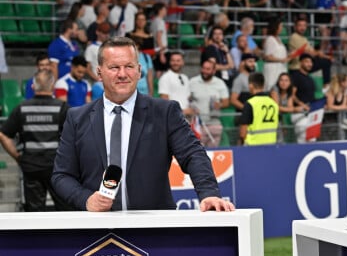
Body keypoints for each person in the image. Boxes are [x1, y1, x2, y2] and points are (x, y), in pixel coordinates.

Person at [51, 36, 234, 212]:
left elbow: (193, 154)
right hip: (97, 230)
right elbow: (62, 176)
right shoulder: (76, 118)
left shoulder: (165, 112)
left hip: (152, 230)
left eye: (129, 66)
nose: (122, 74)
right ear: (99, 72)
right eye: (114, 67)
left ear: (139, 71)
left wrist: (208, 193)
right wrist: (86, 199)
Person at [0, 70, 71, 212]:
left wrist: (18, 157)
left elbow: (3, 135)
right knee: (65, 211)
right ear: (53, 87)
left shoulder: (22, 108)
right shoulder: (62, 108)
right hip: (57, 169)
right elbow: (74, 139)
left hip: (31, 167)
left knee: (34, 213)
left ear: (33, 86)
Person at [189, 59, 230, 148]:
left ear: (214, 71)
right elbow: (187, 98)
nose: (205, 71)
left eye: (208, 69)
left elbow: (226, 102)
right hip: (198, 125)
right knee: (198, 152)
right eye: (203, 68)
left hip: (214, 124)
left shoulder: (220, 83)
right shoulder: (192, 82)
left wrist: (219, 105)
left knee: (213, 154)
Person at [239, 72, 280, 145]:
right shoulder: (273, 103)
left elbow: (243, 133)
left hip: (253, 147)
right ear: (263, 85)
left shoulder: (250, 103)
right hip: (271, 145)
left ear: (251, 86)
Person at [158, 52, 193, 116]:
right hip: (173, 117)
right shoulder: (165, 77)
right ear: (169, 62)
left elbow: (188, 97)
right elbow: (164, 102)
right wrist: (182, 112)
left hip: (186, 118)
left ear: (183, 62)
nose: (175, 63)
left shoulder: (185, 77)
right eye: (173, 60)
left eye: (178, 61)